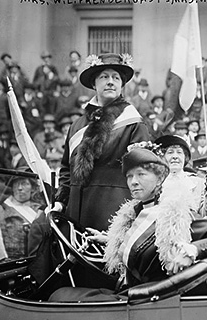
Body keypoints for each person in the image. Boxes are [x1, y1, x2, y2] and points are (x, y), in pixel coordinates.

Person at [48, 144, 207, 301]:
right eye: (130, 176)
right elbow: (141, 244)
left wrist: (193, 249)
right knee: (59, 293)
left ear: (159, 180)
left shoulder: (174, 213)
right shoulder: (136, 212)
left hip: (150, 299)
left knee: (59, 297)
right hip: (129, 293)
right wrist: (108, 239)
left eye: (141, 174)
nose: (133, 182)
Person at [53, 53, 151, 233]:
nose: (110, 82)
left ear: (122, 85)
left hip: (113, 214)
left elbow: (143, 172)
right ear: (93, 83)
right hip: (76, 213)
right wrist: (61, 201)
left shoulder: (133, 123)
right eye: (104, 77)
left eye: (116, 78)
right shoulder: (77, 125)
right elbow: (66, 168)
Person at [155, 135, 207, 217]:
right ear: (162, 157)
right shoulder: (155, 183)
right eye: (170, 152)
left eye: (179, 152)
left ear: (185, 157)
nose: (175, 157)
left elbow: (204, 215)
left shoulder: (198, 183)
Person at [0, 176, 42, 259]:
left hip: (35, 260)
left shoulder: (40, 210)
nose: (20, 188)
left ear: (32, 188)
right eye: (16, 184)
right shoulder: (1, 210)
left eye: (24, 184)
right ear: (12, 189)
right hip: (10, 262)